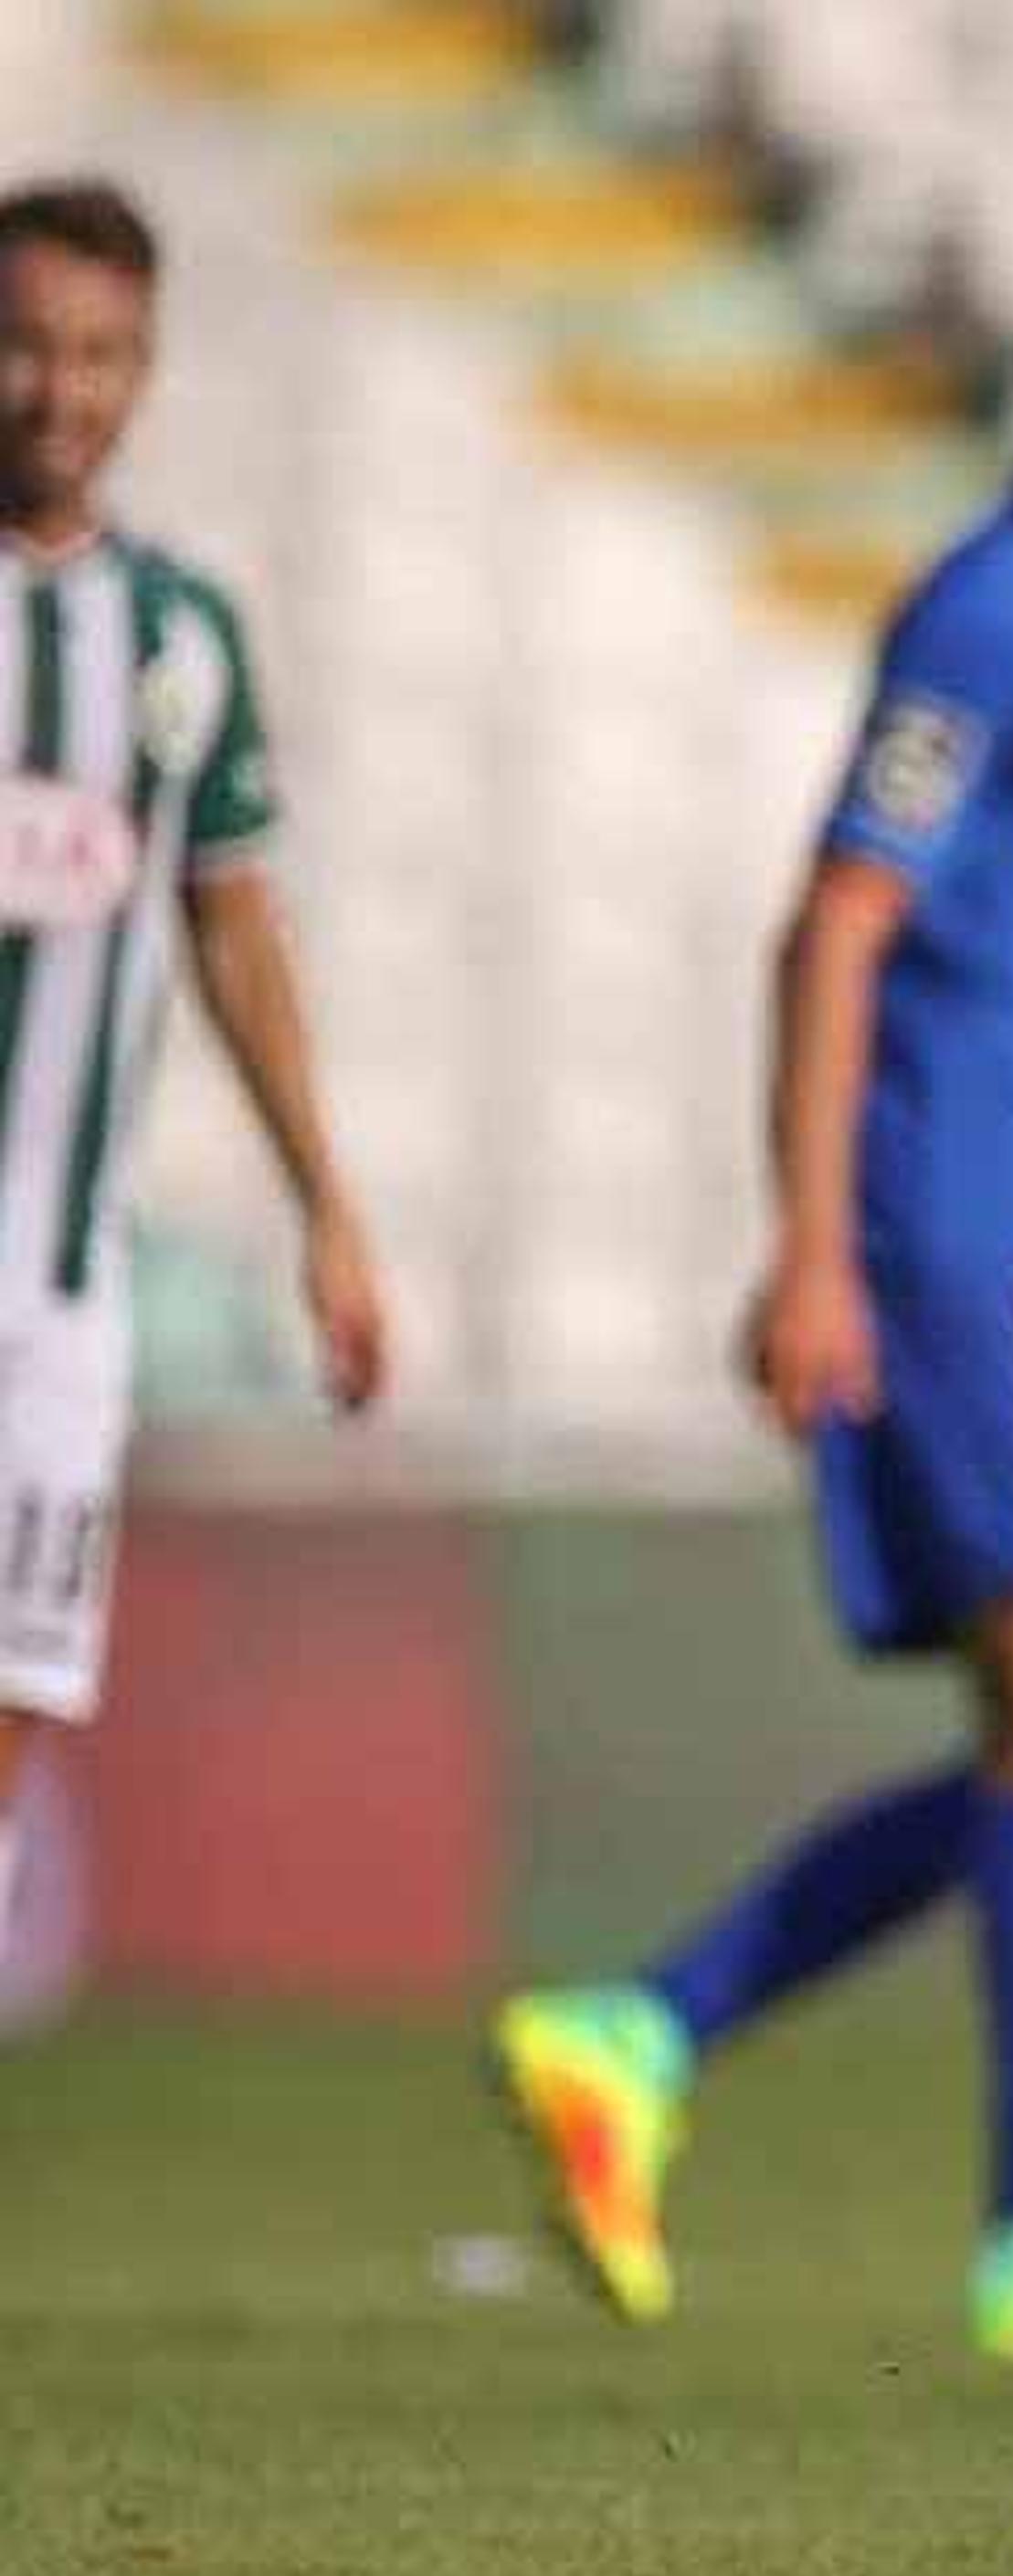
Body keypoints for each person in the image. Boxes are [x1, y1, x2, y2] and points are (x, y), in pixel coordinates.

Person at [491, 217, 1013, 2366]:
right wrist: (808, 1250)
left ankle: (643, 2030)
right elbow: (835, 931)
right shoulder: (985, 617)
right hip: (951, 1227)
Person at [0, 178, 388, 1918]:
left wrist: (328, 1205)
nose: (56, 393)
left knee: (14, 1700)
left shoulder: (177, 638)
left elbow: (234, 927)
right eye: (22, 348)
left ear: (143, 372)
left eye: (96, 356)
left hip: (56, 1285)